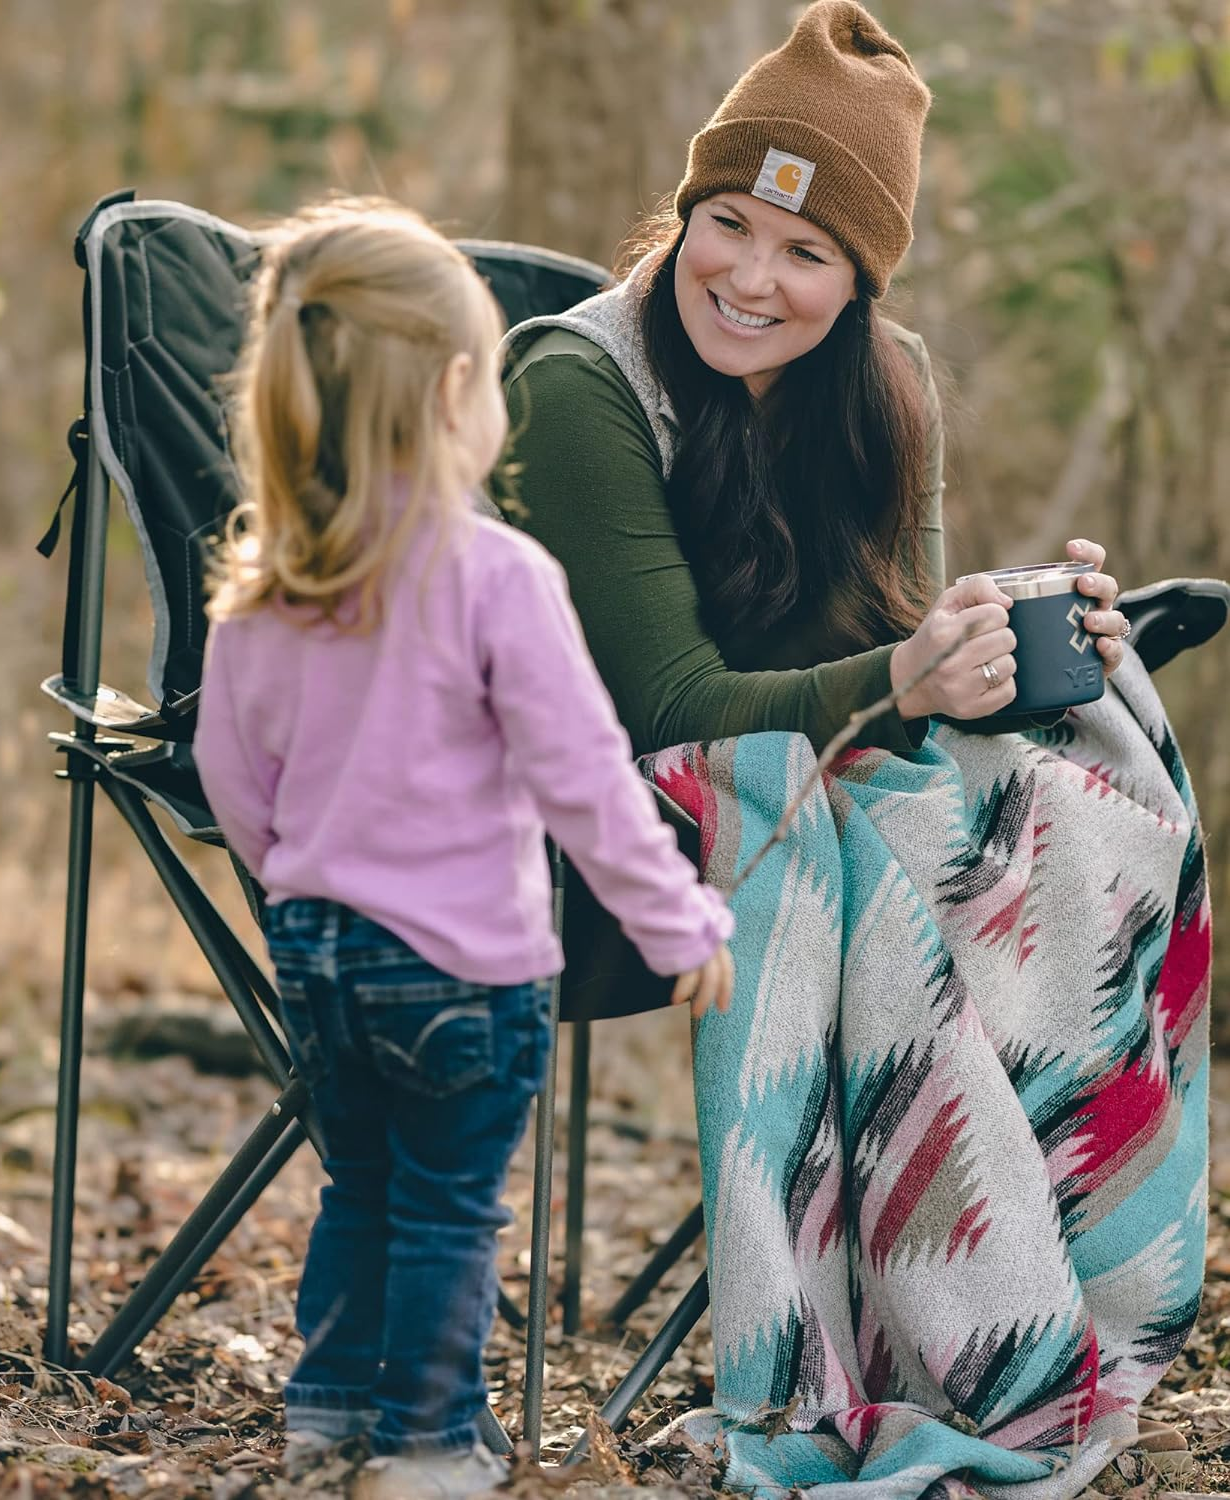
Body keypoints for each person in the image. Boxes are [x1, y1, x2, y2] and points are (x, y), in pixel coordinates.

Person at [502, 4, 1208, 1496]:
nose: (752, 275)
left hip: (808, 794)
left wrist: (1029, 641)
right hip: (581, 839)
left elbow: (900, 659)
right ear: (688, 209)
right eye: (729, 222)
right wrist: (907, 674)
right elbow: (667, 705)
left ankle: (1020, 1304)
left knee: (1075, 809)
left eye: (806, 253)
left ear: (860, 280)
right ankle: (943, 1312)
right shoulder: (579, 386)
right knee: (902, 845)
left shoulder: (887, 395)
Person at [192, 200, 736, 1500]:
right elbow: (588, 783)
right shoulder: (495, 576)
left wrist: (296, 891)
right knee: (447, 1208)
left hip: (318, 961)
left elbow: (227, 777)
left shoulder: (262, 596)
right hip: (464, 971)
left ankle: (328, 1418)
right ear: (453, 392)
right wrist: (679, 924)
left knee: (363, 1189)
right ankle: (429, 1445)